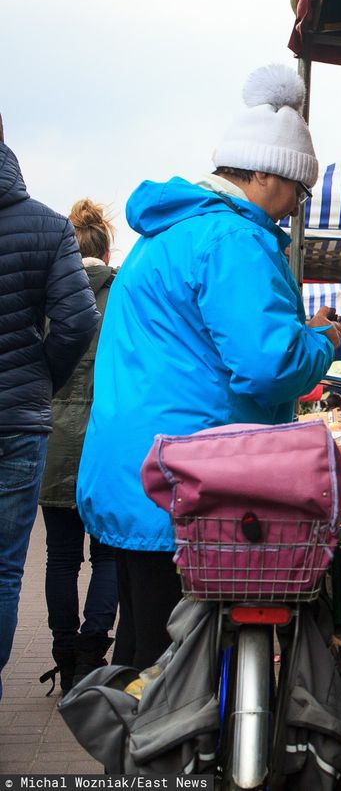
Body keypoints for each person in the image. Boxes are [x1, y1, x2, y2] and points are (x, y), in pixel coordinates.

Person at [77, 65, 341, 670]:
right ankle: (181, 766)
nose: (297, 207)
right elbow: (270, 365)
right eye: (299, 191)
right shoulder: (231, 240)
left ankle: (147, 759)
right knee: (186, 671)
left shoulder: (167, 234)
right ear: (269, 174)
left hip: (140, 470)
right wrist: (321, 341)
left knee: (150, 655)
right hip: (190, 482)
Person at [0, 114, 98, 699]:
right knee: (5, 569)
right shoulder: (45, 226)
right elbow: (78, 320)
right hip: (17, 420)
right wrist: (42, 376)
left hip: (25, 414)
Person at [38, 199, 120, 695]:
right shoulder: (123, 297)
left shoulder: (48, 297)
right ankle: (92, 654)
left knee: (60, 557)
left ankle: (64, 655)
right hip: (108, 443)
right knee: (109, 556)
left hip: (54, 441)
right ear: (106, 250)